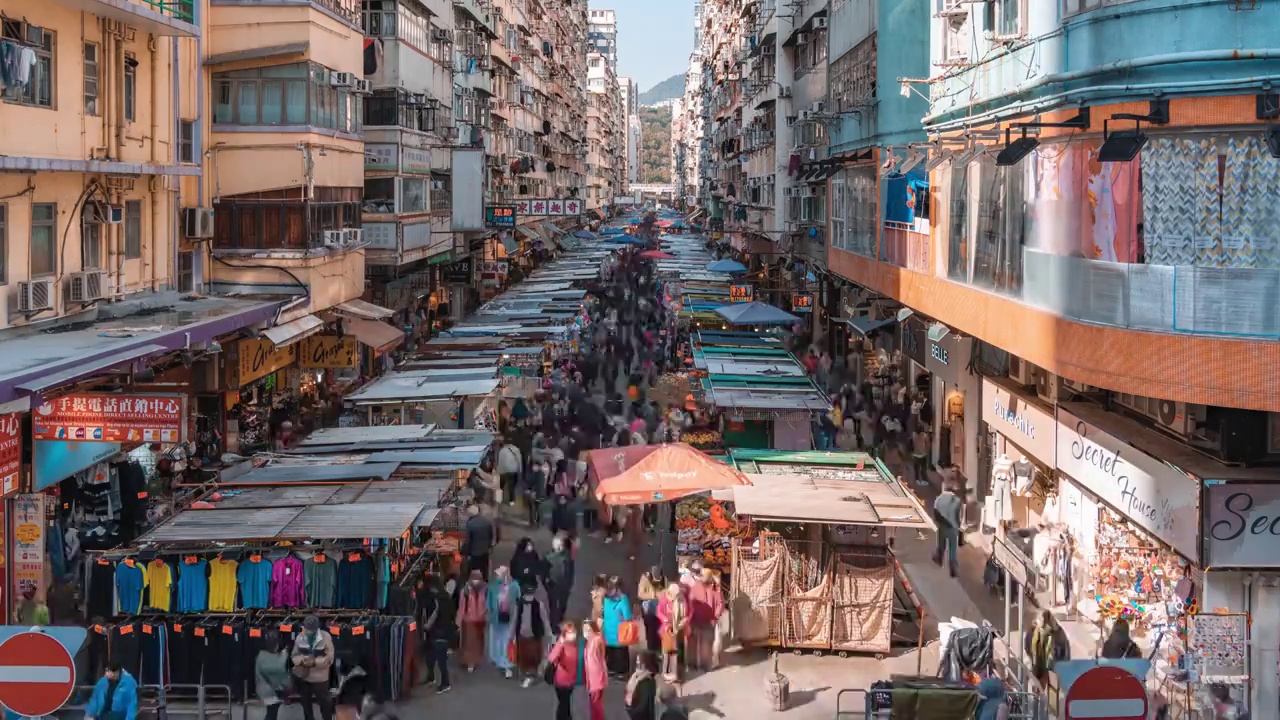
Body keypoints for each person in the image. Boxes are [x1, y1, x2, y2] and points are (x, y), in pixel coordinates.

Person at [291, 615, 336, 720]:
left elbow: (330, 658)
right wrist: (302, 660)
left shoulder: (326, 637)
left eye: (311, 629)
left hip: (320, 679)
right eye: (307, 628)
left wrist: (315, 662)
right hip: (304, 677)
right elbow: (294, 655)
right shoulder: (300, 636)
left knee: (325, 705)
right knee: (306, 706)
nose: (309, 631)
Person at [419, 577, 454, 694]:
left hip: (438, 632)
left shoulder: (437, 600)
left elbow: (435, 614)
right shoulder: (445, 598)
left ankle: (445, 683)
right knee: (434, 657)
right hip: (441, 632)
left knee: (439, 659)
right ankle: (432, 677)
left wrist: (427, 626)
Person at [512, 584, 550, 688]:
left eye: (531, 595)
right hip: (522, 635)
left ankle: (531, 675)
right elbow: (515, 620)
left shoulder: (539, 605)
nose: (529, 598)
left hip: (534, 635)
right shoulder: (519, 604)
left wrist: (549, 632)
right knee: (524, 657)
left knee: (533, 657)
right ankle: (528, 674)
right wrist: (512, 635)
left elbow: (544, 619)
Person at [686, 568, 723, 671]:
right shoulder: (696, 587)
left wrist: (715, 616)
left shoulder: (715, 588)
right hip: (696, 620)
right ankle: (692, 664)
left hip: (708, 620)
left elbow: (720, 603)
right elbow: (691, 603)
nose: (701, 577)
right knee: (694, 644)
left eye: (703, 575)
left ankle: (704, 664)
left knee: (706, 644)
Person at [487, 566, 520, 678]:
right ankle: (500, 660)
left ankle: (507, 665)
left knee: (507, 640)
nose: (497, 576)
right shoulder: (493, 586)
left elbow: (518, 600)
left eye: (499, 574)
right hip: (496, 619)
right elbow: (489, 602)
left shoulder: (514, 586)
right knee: (498, 640)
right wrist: (490, 615)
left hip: (510, 619)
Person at [1025, 609, 1070, 686]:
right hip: (1036, 666)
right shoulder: (1033, 631)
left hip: (1053, 668)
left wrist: (1062, 668)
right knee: (1036, 688)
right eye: (1041, 619)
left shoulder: (1058, 632)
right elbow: (1028, 648)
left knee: (1051, 691)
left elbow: (1065, 651)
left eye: (1045, 619)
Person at [546, 622, 581, 720]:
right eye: (570, 633)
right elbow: (552, 658)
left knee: (565, 703)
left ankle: (566, 717)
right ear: (565, 634)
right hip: (562, 682)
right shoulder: (561, 645)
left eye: (574, 632)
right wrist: (560, 643)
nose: (573, 635)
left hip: (571, 681)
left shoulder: (574, 645)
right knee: (563, 704)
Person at [601, 576, 634, 676]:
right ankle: (621, 672)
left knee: (610, 653)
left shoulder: (606, 599)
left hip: (608, 632)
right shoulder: (623, 600)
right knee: (621, 653)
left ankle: (610, 669)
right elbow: (627, 617)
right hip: (620, 633)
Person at [456, 570, 488, 672]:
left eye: (478, 578)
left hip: (480, 620)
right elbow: (461, 606)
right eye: (474, 578)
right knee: (469, 643)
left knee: (478, 643)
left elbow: (488, 605)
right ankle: (469, 662)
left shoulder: (485, 590)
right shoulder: (465, 591)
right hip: (468, 620)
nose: (476, 581)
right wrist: (458, 621)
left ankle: (475, 660)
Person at [254, 631, 291, 720]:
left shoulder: (261, 655)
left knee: (272, 712)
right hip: (270, 691)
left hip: (265, 688)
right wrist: (284, 655)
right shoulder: (274, 657)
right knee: (272, 712)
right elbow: (280, 671)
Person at [657, 582, 688, 681]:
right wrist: (665, 620)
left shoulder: (681, 601)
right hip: (666, 630)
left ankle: (674, 674)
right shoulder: (664, 600)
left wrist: (681, 623)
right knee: (666, 652)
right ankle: (665, 673)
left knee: (674, 653)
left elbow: (685, 615)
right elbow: (659, 612)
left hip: (676, 630)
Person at [932, 482, 963, 577]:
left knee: (941, 545)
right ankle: (953, 569)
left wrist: (938, 523)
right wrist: (958, 525)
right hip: (953, 528)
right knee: (952, 549)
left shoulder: (938, 499)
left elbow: (935, 513)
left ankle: (939, 560)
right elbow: (959, 516)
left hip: (942, 527)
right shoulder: (957, 501)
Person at [545, 535, 575, 629]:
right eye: (559, 545)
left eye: (561, 545)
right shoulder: (548, 557)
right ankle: (553, 625)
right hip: (553, 586)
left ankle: (560, 619)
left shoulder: (567, 556)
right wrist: (547, 585)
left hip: (564, 587)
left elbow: (570, 571)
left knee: (562, 605)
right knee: (553, 607)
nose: (561, 547)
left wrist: (569, 584)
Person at [582, 619, 609, 720]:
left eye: (588, 629)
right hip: (591, 677)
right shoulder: (589, 642)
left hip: (597, 677)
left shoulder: (597, 640)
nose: (586, 632)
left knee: (596, 703)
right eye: (584, 629)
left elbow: (601, 643)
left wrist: (599, 630)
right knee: (593, 704)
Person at [637, 566, 665, 652]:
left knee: (660, 629)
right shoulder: (645, 579)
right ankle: (651, 650)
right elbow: (640, 594)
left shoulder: (663, 579)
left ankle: (659, 649)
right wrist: (654, 596)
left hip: (660, 608)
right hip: (649, 609)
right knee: (651, 631)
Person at [624, 651, 660, 720]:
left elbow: (642, 708)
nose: (638, 665)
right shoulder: (637, 678)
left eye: (640, 662)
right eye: (637, 662)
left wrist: (630, 708)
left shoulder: (646, 682)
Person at [464, 504, 496, 580]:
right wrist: (490, 546)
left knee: (474, 570)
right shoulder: (486, 522)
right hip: (485, 550)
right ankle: (485, 582)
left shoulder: (470, 524)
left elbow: (469, 540)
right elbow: (491, 535)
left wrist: (467, 553)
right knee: (484, 568)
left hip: (474, 552)